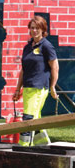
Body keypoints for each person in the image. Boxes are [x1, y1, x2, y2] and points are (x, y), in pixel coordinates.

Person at [13, 15, 59, 146]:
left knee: (28, 118)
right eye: (32, 28)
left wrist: (52, 87)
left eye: (37, 28)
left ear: (43, 29)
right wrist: (18, 89)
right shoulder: (27, 47)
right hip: (27, 87)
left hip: (39, 87)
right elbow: (23, 70)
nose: (34, 31)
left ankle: (24, 147)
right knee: (36, 118)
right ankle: (43, 145)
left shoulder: (47, 46)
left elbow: (55, 66)